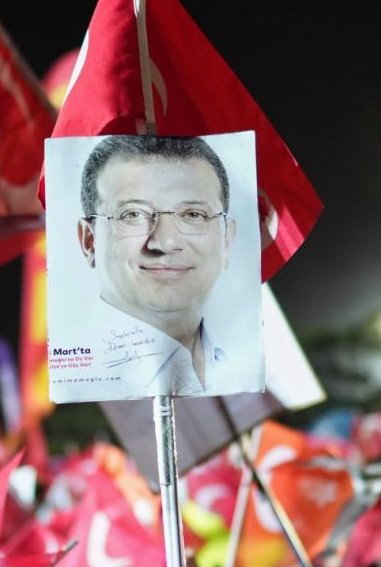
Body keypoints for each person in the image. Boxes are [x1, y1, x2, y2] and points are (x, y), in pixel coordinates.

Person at [74, 135, 251, 398]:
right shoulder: (85, 390)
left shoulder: (239, 368)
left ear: (226, 239)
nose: (165, 242)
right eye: (133, 214)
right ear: (90, 241)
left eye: (193, 215)